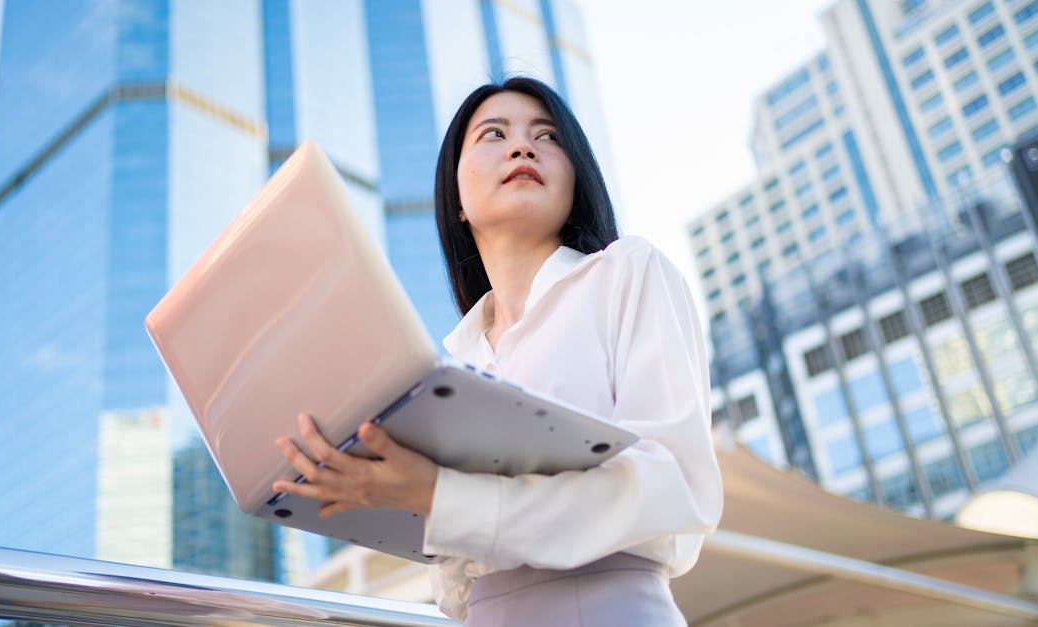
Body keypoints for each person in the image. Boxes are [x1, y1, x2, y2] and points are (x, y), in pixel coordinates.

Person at [273, 76, 723, 626]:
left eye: (547, 136)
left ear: (575, 177)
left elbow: (674, 486)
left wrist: (444, 496)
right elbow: (455, 586)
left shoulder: (627, 271)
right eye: (494, 134)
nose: (522, 146)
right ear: (456, 198)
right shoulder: (450, 365)